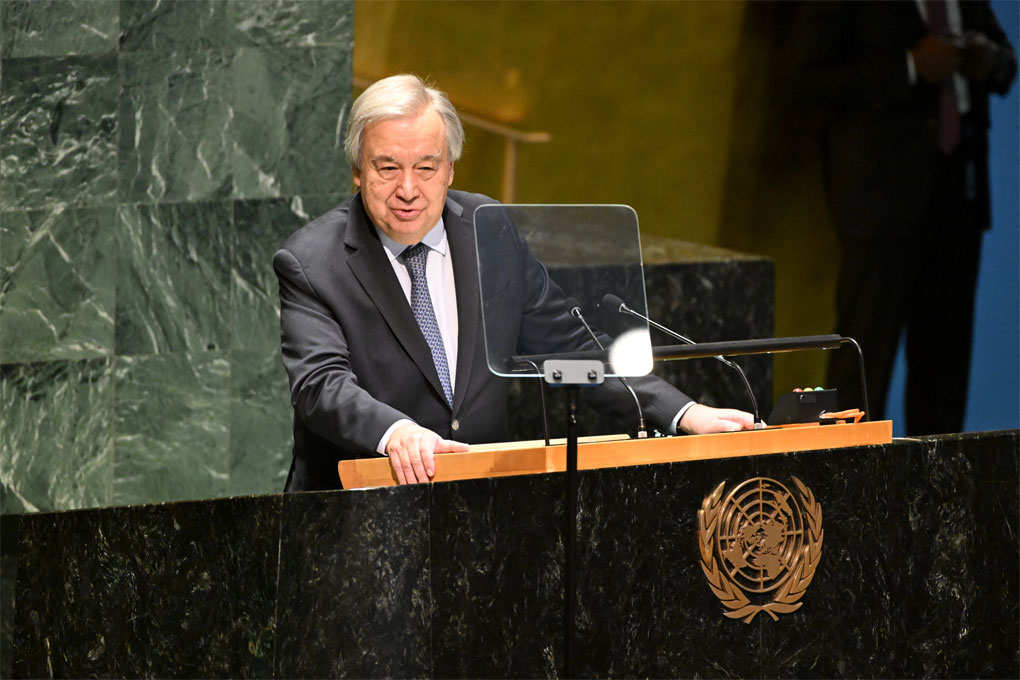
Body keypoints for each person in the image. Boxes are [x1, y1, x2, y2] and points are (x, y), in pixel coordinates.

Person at [274, 74, 754, 491]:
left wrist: (682, 412)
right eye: (387, 168)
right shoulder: (312, 261)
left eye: (426, 168)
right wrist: (395, 432)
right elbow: (321, 385)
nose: (408, 189)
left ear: (450, 170)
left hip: (486, 504)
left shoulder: (488, 227)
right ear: (358, 172)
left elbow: (569, 345)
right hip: (357, 510)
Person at [788, 1, 1016, 435]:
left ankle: (939, 478)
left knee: (945, 368)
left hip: (958, 193)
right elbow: (805, 81)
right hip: (880, 198)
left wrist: (986, 58)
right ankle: (845, 472)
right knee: (862, 359)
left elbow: (1006, 61)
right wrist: (909, 66)